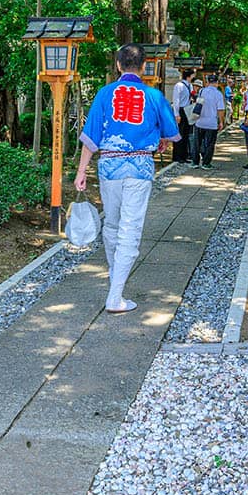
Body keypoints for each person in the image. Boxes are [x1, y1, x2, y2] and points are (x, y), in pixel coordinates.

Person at [74, 43, 180, 313]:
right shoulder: (154, 96)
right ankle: (115, 295)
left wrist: (81, 170)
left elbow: (92, 135)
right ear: (144, 67)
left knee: (112, 224)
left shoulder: (105, 93)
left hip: (109, 166)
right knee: (130, 228)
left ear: (118, 65)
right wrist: (161, 139)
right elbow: (170, 130)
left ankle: (115, 281)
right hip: (140, 168)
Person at [192, 75, 226, 167]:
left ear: (207, 82)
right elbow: (220, 109)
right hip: (211, 123)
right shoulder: (218, 94)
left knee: (197, 143)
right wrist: (221, 122)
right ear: (216, 83)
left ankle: (195, 162)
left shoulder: (202, 91)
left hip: (199, 121)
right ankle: (206, 163)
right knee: (209, 144)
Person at [171, 73, 194, 163]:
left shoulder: (190, 86)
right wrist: (177, 114)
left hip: (187, 110)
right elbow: (176, 100)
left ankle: (184, 155)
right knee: (179, 133)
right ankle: (177, 156)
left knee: (186, 134)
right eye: (192, 75)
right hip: (180, 110)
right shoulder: (179, 85)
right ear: (188, 76)